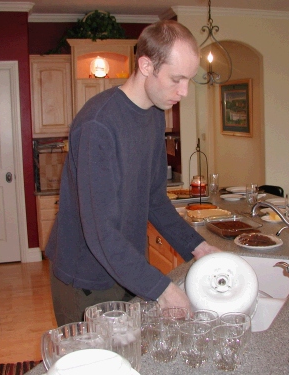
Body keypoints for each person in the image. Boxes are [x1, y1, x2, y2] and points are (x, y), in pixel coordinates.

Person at [46, 20, 222, 326]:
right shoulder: (97, 125)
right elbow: (100, 233)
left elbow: (154, 198)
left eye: (189, 80)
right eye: (177, 79)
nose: (184, 92)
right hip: (85, 278)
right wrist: (163, 289)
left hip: (128, 267)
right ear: (145, 65)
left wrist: (198, 247)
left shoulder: (154, 116)